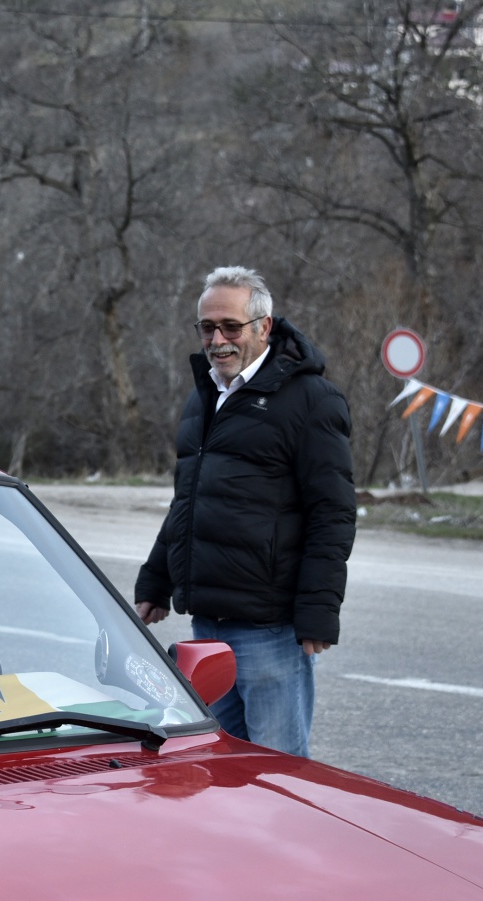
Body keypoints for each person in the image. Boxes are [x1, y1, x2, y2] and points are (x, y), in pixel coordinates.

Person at [134, 266, 355, 757]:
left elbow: (333, 513)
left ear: (263, 327)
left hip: (270, 629)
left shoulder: (312, 401)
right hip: (207, 626)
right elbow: (189, 502)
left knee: (275, 771)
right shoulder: (204, 396)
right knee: (216, 765)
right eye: (207, 328)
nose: (218, 340)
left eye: (230, 327)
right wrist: (156, 580)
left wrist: (319, 610)